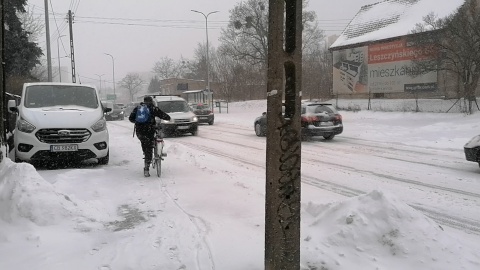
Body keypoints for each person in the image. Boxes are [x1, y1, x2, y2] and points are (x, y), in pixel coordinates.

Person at [129, 96, 171, 176]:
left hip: (140, 131)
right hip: (150, 130)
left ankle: (146, 160)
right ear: (151, 101)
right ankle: (147, 167)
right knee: (149, 147)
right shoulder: (153, 108)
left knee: (145, 146)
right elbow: (164, 116)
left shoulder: (138, 108)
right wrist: (168, 118)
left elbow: (131, 118)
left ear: (144, 101)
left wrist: (139, 122)